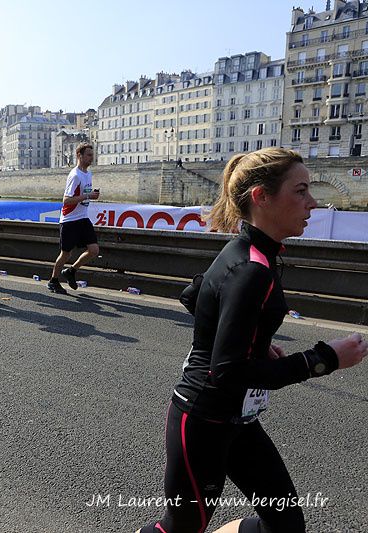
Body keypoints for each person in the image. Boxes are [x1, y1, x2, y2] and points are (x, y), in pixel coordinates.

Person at [137, 148, 367, 533]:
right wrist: (323, 358)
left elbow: (195, 296)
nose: (313, 202)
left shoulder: (250, 251)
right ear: (262, 197)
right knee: (181, 528)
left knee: (286, 524)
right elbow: (228, 371)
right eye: (301, 191)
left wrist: (254, 340)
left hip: (237, 419)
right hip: (204, 418)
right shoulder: (252, 267)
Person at [47, 143, 100, 294]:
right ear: (80, 156)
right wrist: (88, 196)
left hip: (83, 218)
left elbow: (83, 196)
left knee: (94, 250)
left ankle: (71, 271)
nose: (92, 157)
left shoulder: (88, 174)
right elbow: (66, 200)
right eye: (89, 155)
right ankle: (53, 281)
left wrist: (91, 196)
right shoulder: (75, 175)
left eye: (92, 154)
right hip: (70, 219)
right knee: (66, 253)